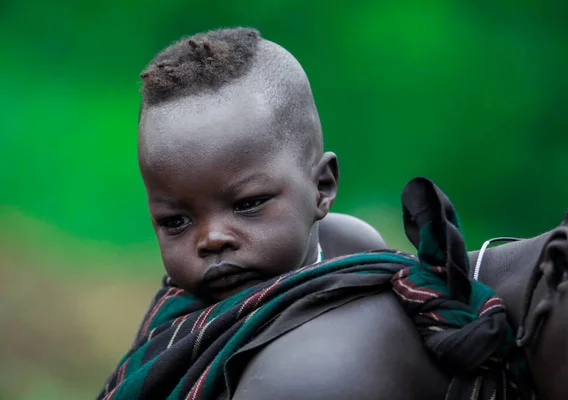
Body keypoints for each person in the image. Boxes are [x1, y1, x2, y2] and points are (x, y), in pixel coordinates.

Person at [137, 27, 385, 303]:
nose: (212, 239)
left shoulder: (360, 256)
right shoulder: (179, 334)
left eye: (247, 204)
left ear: (322, 186)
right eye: (176, 222)